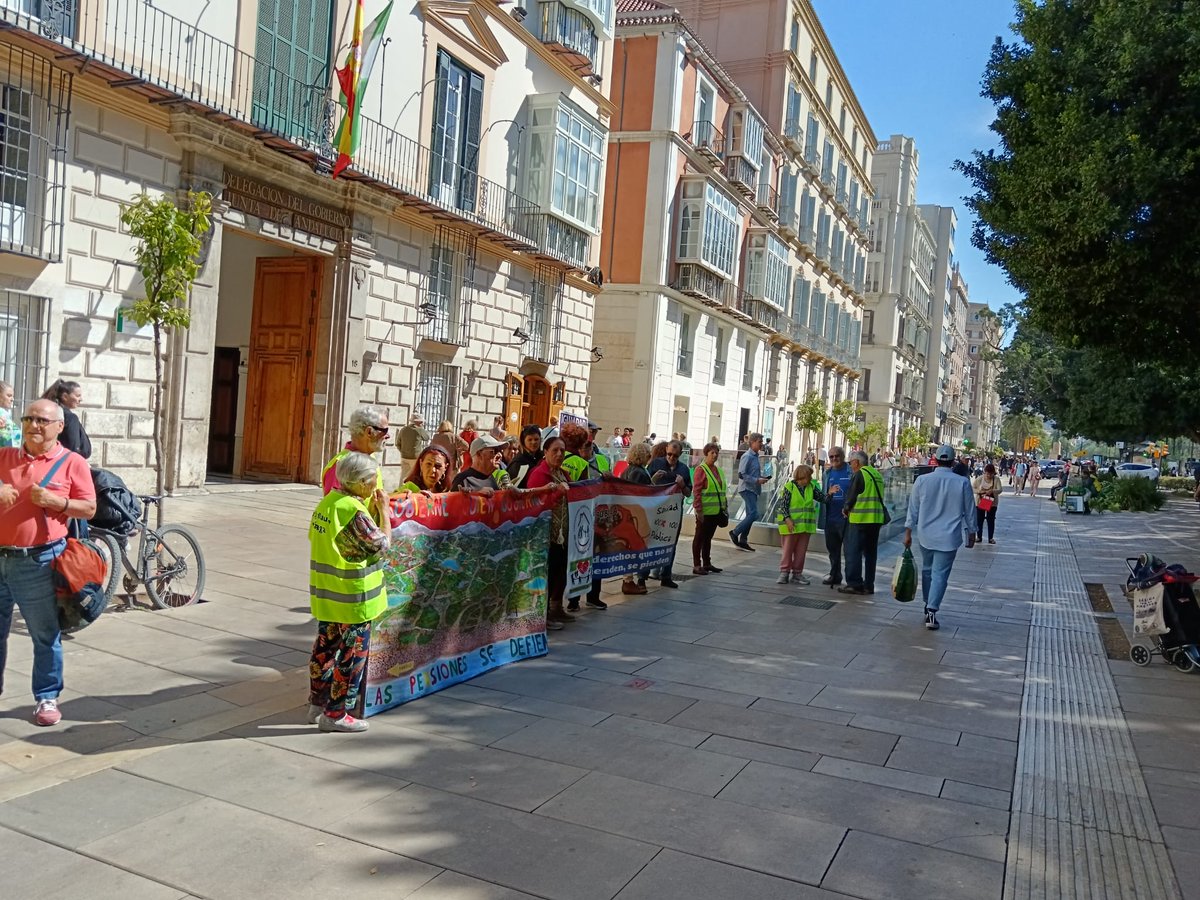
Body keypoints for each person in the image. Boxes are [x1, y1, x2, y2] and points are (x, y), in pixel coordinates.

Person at [0, 398, 98, 726]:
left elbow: (88, 509)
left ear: (59, 426)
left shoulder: (73, 463)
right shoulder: (4, 456)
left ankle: (46, 696)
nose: (33, 425)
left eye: (42, 420)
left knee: (44, 633)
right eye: (28, 419)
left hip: (38, 562)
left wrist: (57, 501)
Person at [306, 452, 391, 733]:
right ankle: (336, 714)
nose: (375, 485)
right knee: (351, 656)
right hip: (354, 598)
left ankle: (317, 703)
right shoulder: (353, 510)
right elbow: (383, 545)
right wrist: (386, 512)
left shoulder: (327, 503)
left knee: (324, 650)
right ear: (361, 482)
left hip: (327, 596)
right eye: (372, 480)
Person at [904, 444, 976, 630]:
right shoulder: (962, 482)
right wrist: (972, 531)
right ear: (953, 462)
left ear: (935, 459)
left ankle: (927, 603)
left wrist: (908, 531)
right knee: (940, 574)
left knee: (927, 570)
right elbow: (970, 510)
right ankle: (932, 608)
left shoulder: (922, 480)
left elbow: (913, 508)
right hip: (949, 537)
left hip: (926, 534)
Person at [526, 436, 573, 629]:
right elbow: (534, 503)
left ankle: (556, 606)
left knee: (559, 570)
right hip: (545, 533)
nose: (559, 454)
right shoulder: (539, 475)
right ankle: (542, 615)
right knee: (547, 572)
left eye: (562, 451)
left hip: (562, 533)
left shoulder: (564, 474)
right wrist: (557, 493)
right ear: (545, 452)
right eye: (555, 450)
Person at [838, 449, 886, 595]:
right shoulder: (876, 474)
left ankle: (854, 584)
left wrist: (846, 509)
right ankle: (869, 584)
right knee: (871, 554)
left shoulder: (860, 474)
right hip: (876, 520)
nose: (850, 465)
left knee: (853, 551)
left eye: (851, 462)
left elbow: (851, 495)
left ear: (857, 462)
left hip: (860, 519)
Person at [645, 440, 691, 588]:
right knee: (649, 541)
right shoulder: (656, 464)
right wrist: (653, 479)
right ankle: (643, 576)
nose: (671, 457)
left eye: (675, 456)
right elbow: (644, 487)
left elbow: (689, 492)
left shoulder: (683, 469)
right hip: (655, 509)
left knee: (671, 542)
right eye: (669, 454)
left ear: (680, 455)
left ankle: (666, 575)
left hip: (673, 512)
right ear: (666, 450)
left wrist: (682, 485)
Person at [322, 406, 388, 498]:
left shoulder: (370, 457)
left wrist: (400, 495)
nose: (388, 436)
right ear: (369, 432)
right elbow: (335, 506)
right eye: (385, 431)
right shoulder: (342, 464)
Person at [775, 463, 824, 585]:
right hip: (790, 526)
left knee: (801, 551)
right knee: (787, 550)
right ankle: (784, 573)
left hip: (805, 527)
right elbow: (783, 506)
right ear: (802, 476)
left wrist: (831, 493)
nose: (811, 479)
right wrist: (788, 519)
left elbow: (823, 498)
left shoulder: (811, 487)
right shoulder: (789, 487)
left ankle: (797, 573)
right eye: (809, 476)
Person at [620, 443, 653, 595]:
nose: (649, 457)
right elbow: (642, 493)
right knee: (635, 547)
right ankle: (628, 581)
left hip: (628, 513)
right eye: (648, 454)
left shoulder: (627, 470)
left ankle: (628, 580)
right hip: (636, 515)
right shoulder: (639, 472)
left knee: (630, 547)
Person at [691, 442, 726, 575]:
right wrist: (698, 510)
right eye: (712, 453)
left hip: (716, 511)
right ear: (706, 454)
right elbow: (697, 491)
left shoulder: (718, 470)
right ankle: (697, 565)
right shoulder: (701, 470)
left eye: (717, 453)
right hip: (705, 511)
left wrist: (725, 506)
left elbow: (721, 490)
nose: (715, 455)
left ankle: (707, 563)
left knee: (708, 538)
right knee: (699, 537)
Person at [729, 433, 767, 551]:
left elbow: (751, 472)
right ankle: (735, 532)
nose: (761, 444)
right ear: (753, 442)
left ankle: (743, 539)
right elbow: (742, 474)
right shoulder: (747, 456)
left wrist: (761, 478)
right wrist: (756, 480)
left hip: (753, 489)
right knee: (754, 514)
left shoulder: (755, 456)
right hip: (747, 488)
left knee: (750, 514)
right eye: (760, 441)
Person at [819, 446, 851, 586]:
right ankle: (835, 575)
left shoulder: (851, 471)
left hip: (847, 517)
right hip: (830, 517)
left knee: (850, 550)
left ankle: (851, 579)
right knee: (833, 549)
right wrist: (829, 494)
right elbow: (824, 495)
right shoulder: (827, 473)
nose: (834, 459)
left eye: (836, 456)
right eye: (831, 457)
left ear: (842, 456)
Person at [43, 379, 91, 460]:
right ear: (65, 396)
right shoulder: (70, 418)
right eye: (78, 396)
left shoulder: (52, 414)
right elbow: (73, 449)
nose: (81, 399)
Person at [972, 463, 1003, 544]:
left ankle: (990, 538)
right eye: (987, 473)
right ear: (984, 472)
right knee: (979, 520)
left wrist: (993, 490)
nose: (988, 475)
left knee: (991, 520)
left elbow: (1000, 489)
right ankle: (979, 537)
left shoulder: (996, 479)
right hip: (980, 502)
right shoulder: (979, 479)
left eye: (991, 474)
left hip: (992, 503)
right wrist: (979, 491)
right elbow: (973, 487)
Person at [0, 380, 20, 448]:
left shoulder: (6, 414)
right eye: (9, 396)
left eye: (12, 396)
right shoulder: (2, 415)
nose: (12, 399)